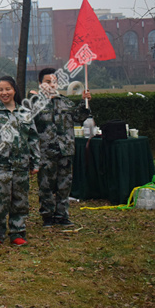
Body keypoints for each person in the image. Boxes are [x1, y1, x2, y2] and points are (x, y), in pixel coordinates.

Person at [0, 76, 40, 246]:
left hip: (21, 165)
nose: (4, 93)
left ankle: (17, 232)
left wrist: (35, 162)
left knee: (20, 201)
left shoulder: (25, 113)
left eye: (8, 89)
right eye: (1, 90)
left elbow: (33, 138)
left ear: (14, 90)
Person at [35, 68, 91, 227]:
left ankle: (62, 216)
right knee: (46, 186)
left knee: (64, 185)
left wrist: (84, 103)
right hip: (46, 152)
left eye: (54, 81)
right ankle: (47, 216)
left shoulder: (65, 102)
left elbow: (79, 117)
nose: (51, 85)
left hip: (65, 150)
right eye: (47, 82)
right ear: (40, 84)